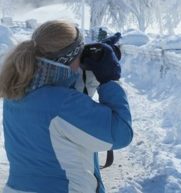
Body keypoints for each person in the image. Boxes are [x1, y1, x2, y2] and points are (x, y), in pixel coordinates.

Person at [0, 20, 133, 193]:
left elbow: (64, 120)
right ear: (68, 59)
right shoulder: (64, 104)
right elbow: (120, 134)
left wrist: (88, 73)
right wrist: (108, 79)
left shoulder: (17, 93)